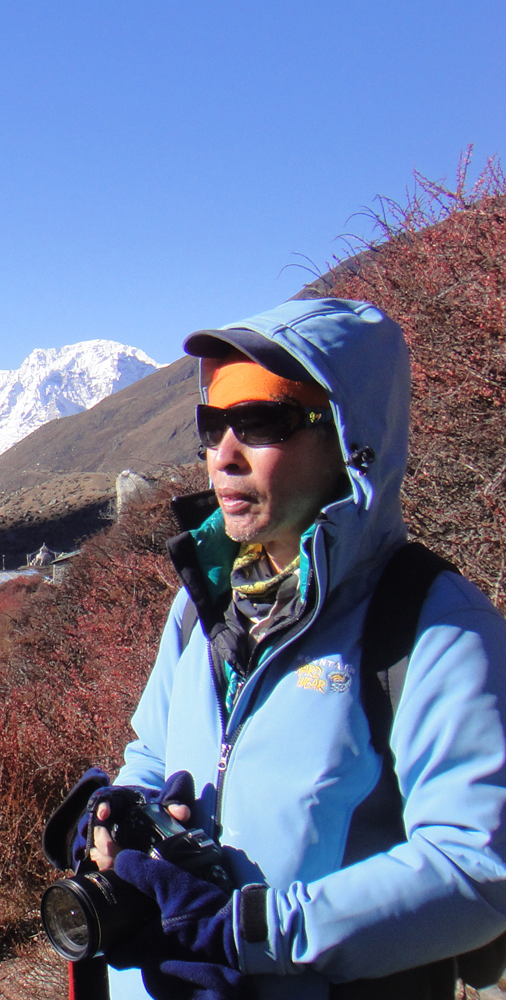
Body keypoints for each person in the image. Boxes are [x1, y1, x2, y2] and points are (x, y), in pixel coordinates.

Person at [81, 298, 506, 999]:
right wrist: (118, 817)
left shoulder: (431, 627)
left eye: (259, 422)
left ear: (348, 437)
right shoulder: (201, 602)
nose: (223, 454)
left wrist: (251, 930)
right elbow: (152, 757)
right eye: (210, 424)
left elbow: (475, 868)